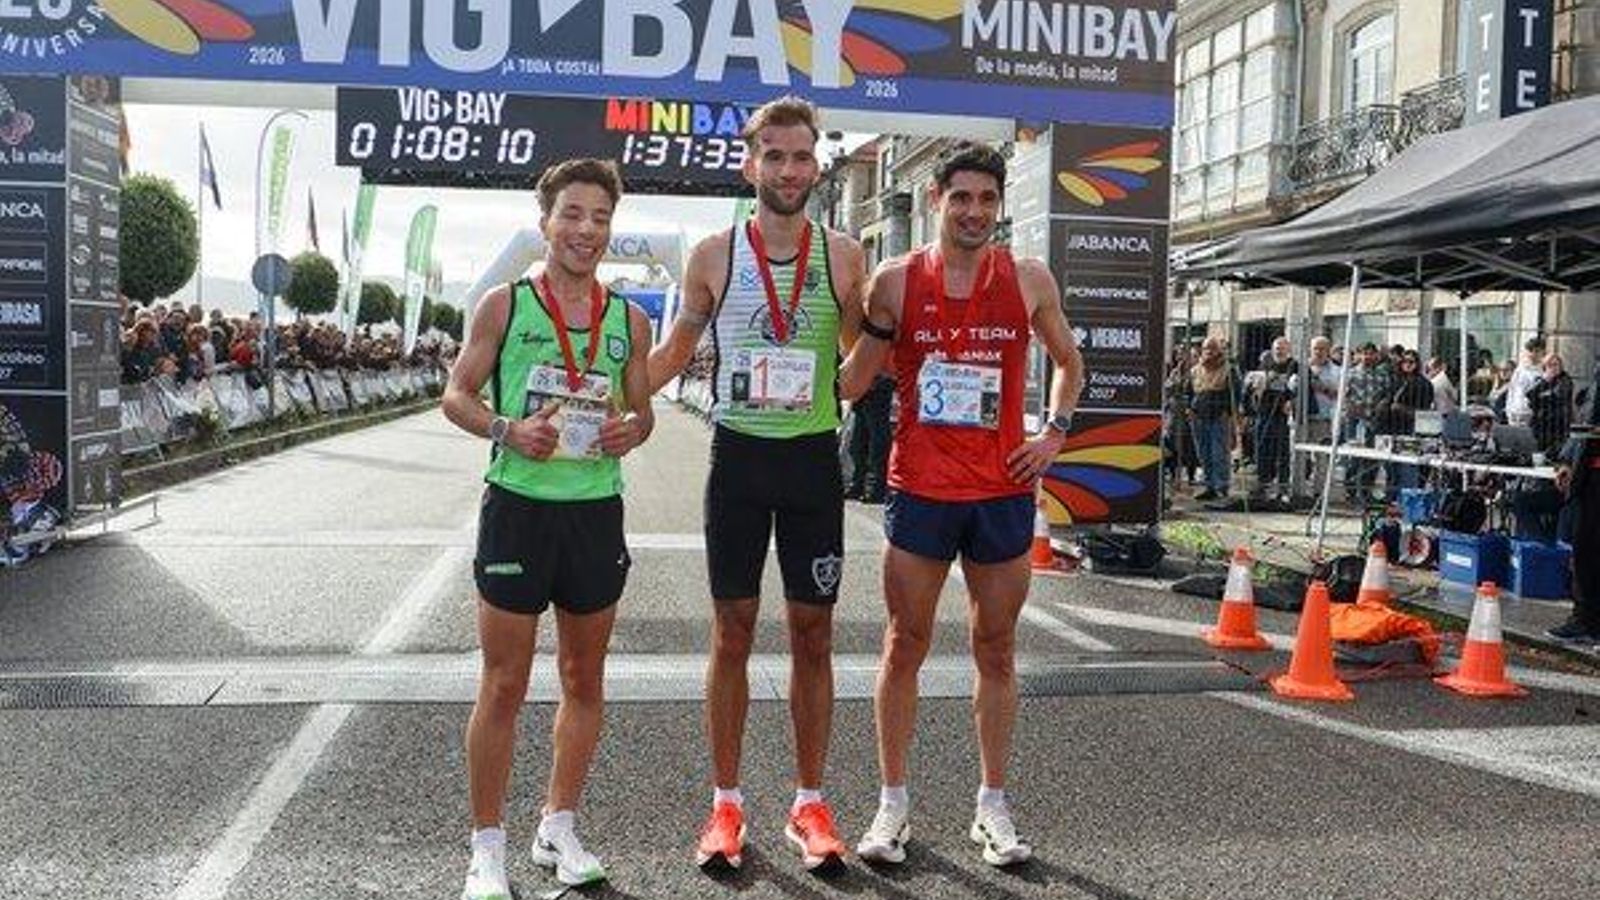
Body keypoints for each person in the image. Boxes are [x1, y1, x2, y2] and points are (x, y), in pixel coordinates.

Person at [840, 142, 1084, 868]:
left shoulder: (1028, 277)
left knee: (997, 649)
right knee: (903, 645)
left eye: (987, 200)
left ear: (998, 206)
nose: (974, 212)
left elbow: (1071, 362)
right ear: (937, 200)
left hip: (1003, 490)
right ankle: (891, 806)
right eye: (961, 199)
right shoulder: (894, 281)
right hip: (921, 488)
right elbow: (855, 379)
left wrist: (1055, 435)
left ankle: (993, 807)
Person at [646, 96, 868, 872]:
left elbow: (861, 362)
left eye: (800, 155)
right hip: (738, 459)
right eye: (772, 155)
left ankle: (809, 802)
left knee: (814, 634)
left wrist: (868, 359)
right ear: (750, 165)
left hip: (809, 464)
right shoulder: (711, 255)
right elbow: (675, 350)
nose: (787, 169)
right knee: (732, 632)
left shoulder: (844, 257)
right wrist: (603, 400)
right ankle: (726, 806)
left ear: (817, 165)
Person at [441, 159, 655, 898]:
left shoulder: (631, 319)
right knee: (503, 683)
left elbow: (642, 413)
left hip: (594, 513)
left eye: (600, 217)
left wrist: (632, 431)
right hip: (520, 511)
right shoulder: (503, 305)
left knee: (583, 678)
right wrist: (506, 427)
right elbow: (456, 395)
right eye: (572, 214)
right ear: (546, 223)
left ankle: (557, 823)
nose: (586, 229)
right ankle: (487, 847)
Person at [1548, 386, 1600, 643]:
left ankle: (1585, 620)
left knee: (1587, 551)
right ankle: (1586, 620)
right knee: (1586, 551)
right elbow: (1587, 421)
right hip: (1590, 474)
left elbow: (1588, 420)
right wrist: (1569, 459)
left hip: (1593, 478)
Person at [1188, 337, 1238, 501]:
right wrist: (1190, 409)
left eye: (1212, 348)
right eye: (1206, 348)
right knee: (1203, 454)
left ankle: (1221, 487)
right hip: (1199, 416)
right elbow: (1189, 392)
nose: (1209, 352)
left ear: (1219, 350)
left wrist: (1230, 413)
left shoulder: (1228, 369)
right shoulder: (1195, 370)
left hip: (1219, 416)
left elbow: (1235, 395)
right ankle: (1209, 486)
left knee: (1219, 454)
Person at [1252, 337, 1297, 499]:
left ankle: (1283, 487)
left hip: (1282, 416)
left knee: (1282, 452)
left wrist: (1292, 401)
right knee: (1263, 450)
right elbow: (1256, 384)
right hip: (1264, 412)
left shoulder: (1294, 365)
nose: (1279, 351)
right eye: (1277, 348)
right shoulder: (1265, 364)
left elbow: (1298, 388)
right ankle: (1263, 484)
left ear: (1289, 349)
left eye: (1283, 348)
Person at [1295, 336, 1341, 495]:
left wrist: (1323, 388)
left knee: (1322, 457)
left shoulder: (1336, 370)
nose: (1318, 352)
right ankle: (1298, 489)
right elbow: (1291, 386)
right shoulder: (1300, 367)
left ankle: (1319, 493)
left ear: (1328, 351)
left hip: (1324, 419)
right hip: (1302, 419)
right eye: (1316, 348)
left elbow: (1340, 393)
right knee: (1299, 456)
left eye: (1322, 349)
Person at [845, 364, 894, 503]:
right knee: (857, 443)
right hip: (864, 380)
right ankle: (858, 484)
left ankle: (877, 487)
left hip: (880, 380)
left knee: (877, 442)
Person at [1527, 352, 1574, 457]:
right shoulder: (1540, 380)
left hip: (1557, 426)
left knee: (1553, 456)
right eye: (1549, 365)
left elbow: (1556, 396)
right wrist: (1544, 381)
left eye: (1556, 364)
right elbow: (1530, 396)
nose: (1553, 368)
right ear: (1545, 367)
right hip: (1540, 425)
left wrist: (1541, 396)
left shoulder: (1565, 380)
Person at [1505, 336, 1547, 426]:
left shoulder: (1544, 371)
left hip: (1533, 414)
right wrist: (1509, 410)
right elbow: (1512, 391)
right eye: (1530, 351)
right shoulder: (1520, 370)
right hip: (1516, 411)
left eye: (1536, 351)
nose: (1533, 354)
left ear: (1542, 352)